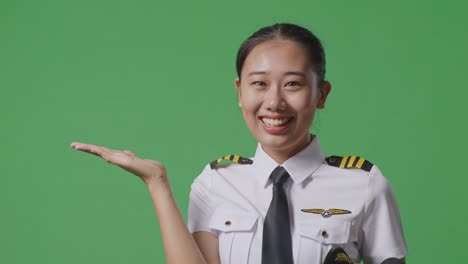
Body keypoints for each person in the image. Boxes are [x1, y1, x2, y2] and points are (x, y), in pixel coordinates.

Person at [70, 23, 407, 264]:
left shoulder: (363, 184)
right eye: (259, 83)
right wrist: (156, 182)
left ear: (321, 94)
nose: (274, 102)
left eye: (292, 84)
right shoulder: (217, 181)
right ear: (239, 92)